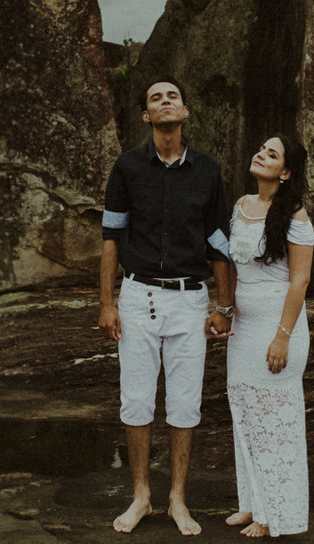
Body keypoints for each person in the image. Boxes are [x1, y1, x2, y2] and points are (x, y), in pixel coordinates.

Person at [98, 75, 234, 536]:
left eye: (173, 96)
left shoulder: (207, 170)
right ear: (146, 115)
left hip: (190, 300)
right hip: (137, 297)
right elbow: (111, 235)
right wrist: (106, 303)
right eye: (156, 98)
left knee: (185, 403)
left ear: (185, 110)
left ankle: (177, 498)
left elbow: (218, 241)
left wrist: (224, 306)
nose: (165, 102)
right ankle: (141, 496)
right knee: (136, 400)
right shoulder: (127, 167)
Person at [221, 134, 314, 538]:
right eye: (261, 149)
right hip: (243, 327)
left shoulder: (295, 216)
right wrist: (225, 310)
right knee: (245, 411)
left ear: (286, 172)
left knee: (275, 421)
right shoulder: (241, 205)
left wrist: (282, 337)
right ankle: (252, 502)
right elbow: (232, 267)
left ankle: (274, 514)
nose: (261, 154)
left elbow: (300, 280)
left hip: (278, 326)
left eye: (272, 154)